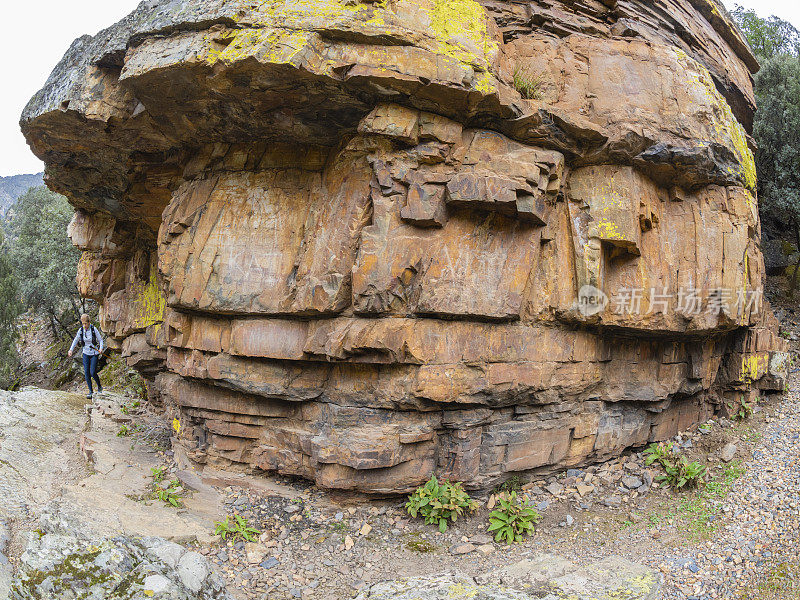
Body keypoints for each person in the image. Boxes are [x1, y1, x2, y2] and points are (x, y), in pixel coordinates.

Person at [68, 314, 105, 398]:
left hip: (94, 354)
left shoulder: (93, 329)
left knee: (92, 372)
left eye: (85, 323)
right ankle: (90, 391)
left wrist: (101, 348)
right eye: (83, 323)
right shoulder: (81, 330)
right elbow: (75, 340)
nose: (84, 325)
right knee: (86, 373)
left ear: (89, 322)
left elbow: (100, 340)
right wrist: (71, 350)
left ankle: (99, 386)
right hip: (85, 353)